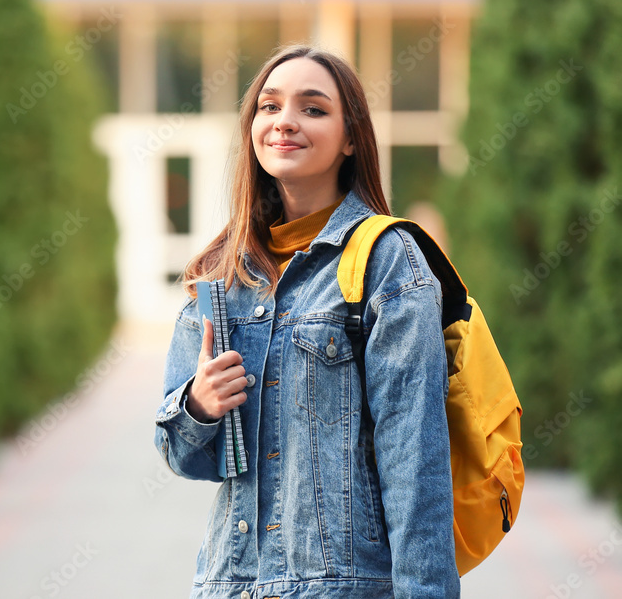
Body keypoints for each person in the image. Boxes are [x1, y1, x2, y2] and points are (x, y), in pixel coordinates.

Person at [152, 44, 460, 598]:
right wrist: (198, 405)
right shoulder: (223, 273)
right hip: (231, 584)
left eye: (313, 109)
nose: (285, 122)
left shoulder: (385, 260)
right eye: (269, 107)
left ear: (350, 138)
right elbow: (181, 456)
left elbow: (416, 462)